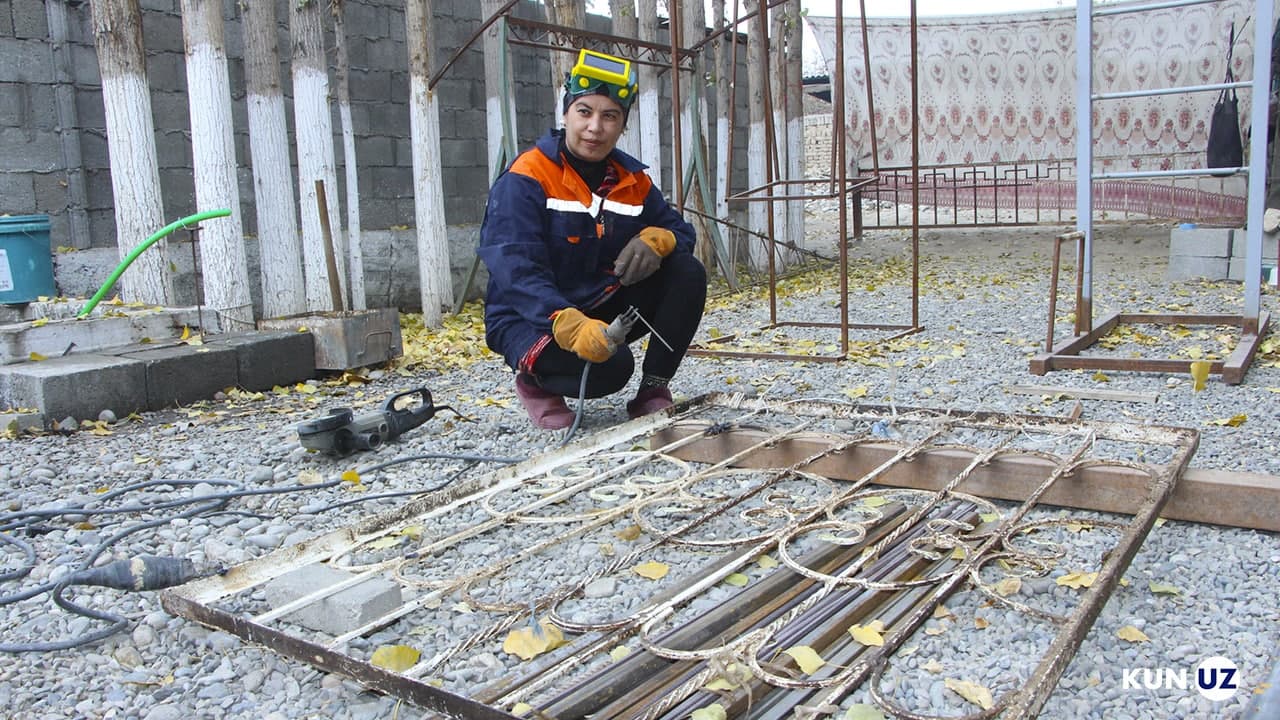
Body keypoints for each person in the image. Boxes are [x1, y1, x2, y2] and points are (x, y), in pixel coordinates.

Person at [478, 48, 706, 430]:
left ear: (622, 125)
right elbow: (515, 270)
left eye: (609, 116)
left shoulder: (632, 181)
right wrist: (567, 323)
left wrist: (658, 238)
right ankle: (535, 383)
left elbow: (682, 232)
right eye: (584, 112)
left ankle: (653, 390)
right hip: (530, 318)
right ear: (566, 114)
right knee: (611, 371)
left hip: (597, 303)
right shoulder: (527, 176)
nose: (595, 127)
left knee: (687, 271)